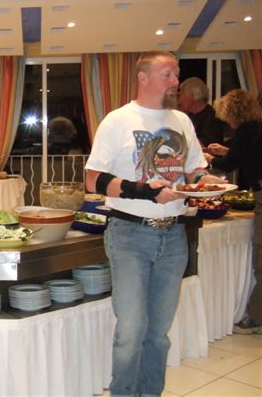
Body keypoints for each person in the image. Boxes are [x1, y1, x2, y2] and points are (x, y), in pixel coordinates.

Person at [84, 51, 225, 396]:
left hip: (173, 235)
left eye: (177, 74)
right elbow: (93, 179)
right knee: (131, 330)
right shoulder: (118, 120)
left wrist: (206, 181)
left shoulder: (182, 121)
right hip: (129, 234)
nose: (176, 81)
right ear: (143, 78)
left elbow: (193, 169)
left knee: (159, 334)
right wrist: (146, 191)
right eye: (168, 74)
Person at [205, 89, 262, 334]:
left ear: (233, 112)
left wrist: (208, 158)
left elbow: (230, 164)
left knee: (261, 257)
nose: (226, 120)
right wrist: (226, 150)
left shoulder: (247, 130)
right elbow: (246, 154)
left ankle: (256, 318)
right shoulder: (256, 128)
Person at [177, 77, 226, 147]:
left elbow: (209, 146)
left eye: (182, 94)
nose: (180, 99)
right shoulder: (189, 116)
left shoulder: (212, 117)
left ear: (193, 95)